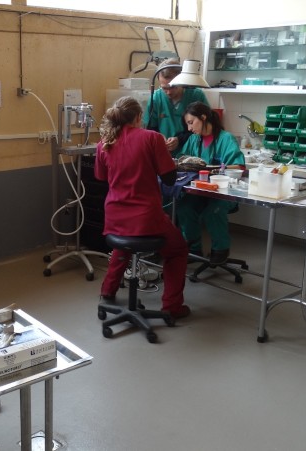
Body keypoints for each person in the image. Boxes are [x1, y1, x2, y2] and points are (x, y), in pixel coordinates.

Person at [94, 96, 191, 320]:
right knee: (177, 250)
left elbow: (101, 176)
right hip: (145, 216)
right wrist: (167, 160)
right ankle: (172, 307)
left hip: (115, 218)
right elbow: (168, 179)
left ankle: (107, 293)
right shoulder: (152, 138)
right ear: (139, 117)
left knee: (124, 244)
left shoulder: (104, 143)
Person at [176, 101, 246, 265]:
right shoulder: (194, 140)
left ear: (203, 117)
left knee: (213, 211)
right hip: (199, 191)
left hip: (223, 193)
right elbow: (183, 159)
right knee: (184, 207)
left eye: (191, 122)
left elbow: (240, 166)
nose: (189, 128)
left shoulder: (225, 138)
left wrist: (212, 169)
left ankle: (221, 249)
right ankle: (194, 248)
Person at [143, 57, 210, 155]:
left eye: (173, 87)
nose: (168, 92)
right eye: (164, 88)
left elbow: (206, 127)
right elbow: (150, 128)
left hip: (192, 153)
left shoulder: (196, 96)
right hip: (164, 153)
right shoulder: (156, 98)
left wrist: (180, 139)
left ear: (182, 81)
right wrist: (159, 137)